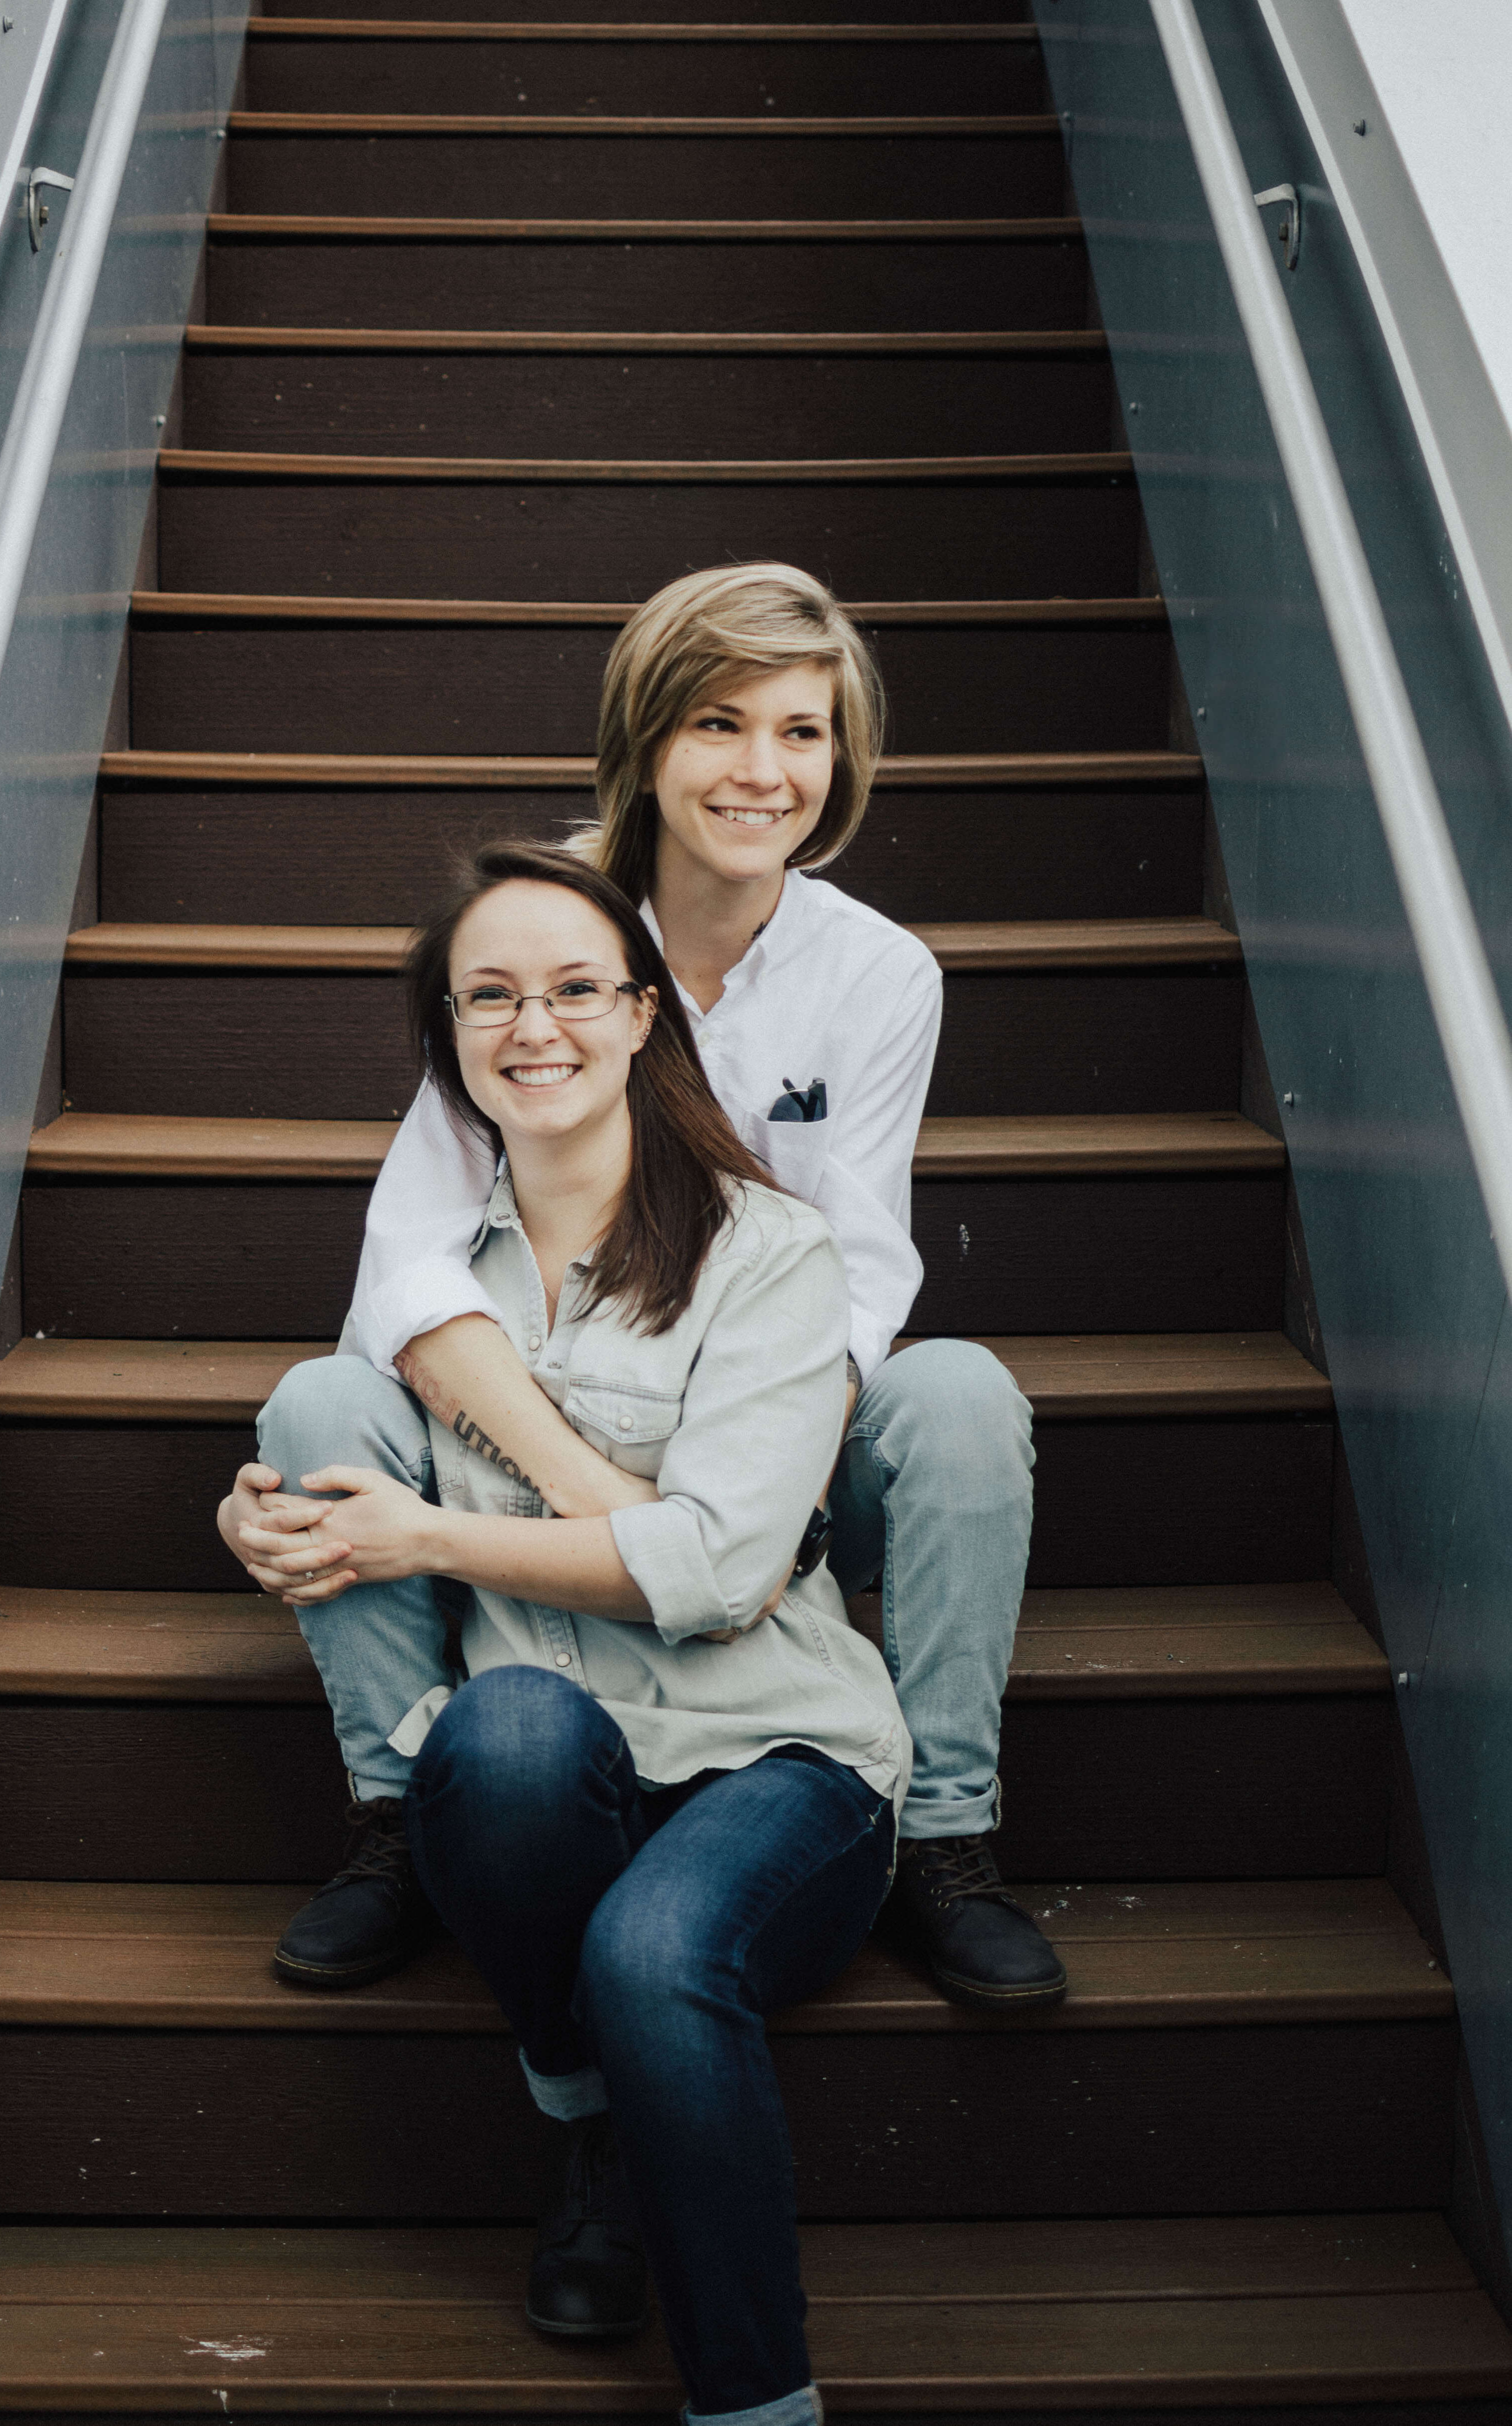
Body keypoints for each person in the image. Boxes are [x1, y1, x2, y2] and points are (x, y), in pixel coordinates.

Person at [224, 560, 1062, 2011]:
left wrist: (763, 1480)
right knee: (320, 1400)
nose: (762, 771)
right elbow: (409, 1260)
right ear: (647, 742)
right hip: (541, 1409)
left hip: (769, 1422)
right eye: (718, 725)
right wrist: (589, 1482)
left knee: (962, 1396)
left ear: (842, 758)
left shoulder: (881, 975)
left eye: (801, 733)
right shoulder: (549, 922)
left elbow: (864, 1262)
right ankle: (395, 1815)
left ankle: (944, 1837)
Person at [224, 847, 910, 2421]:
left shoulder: (770, 1250)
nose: (536, 1025)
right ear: (451, 1037)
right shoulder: (425, 1288)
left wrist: (432, 1537)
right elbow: (337, 1474)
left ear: (643, 1015)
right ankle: (589, 2092)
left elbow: (731, 1566)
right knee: (501, 1731)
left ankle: (755, 2401)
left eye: (577, 987)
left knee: (656, 1945)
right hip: (556, 1751)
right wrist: (259, 1520)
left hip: (780, 1752)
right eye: (492, 996)